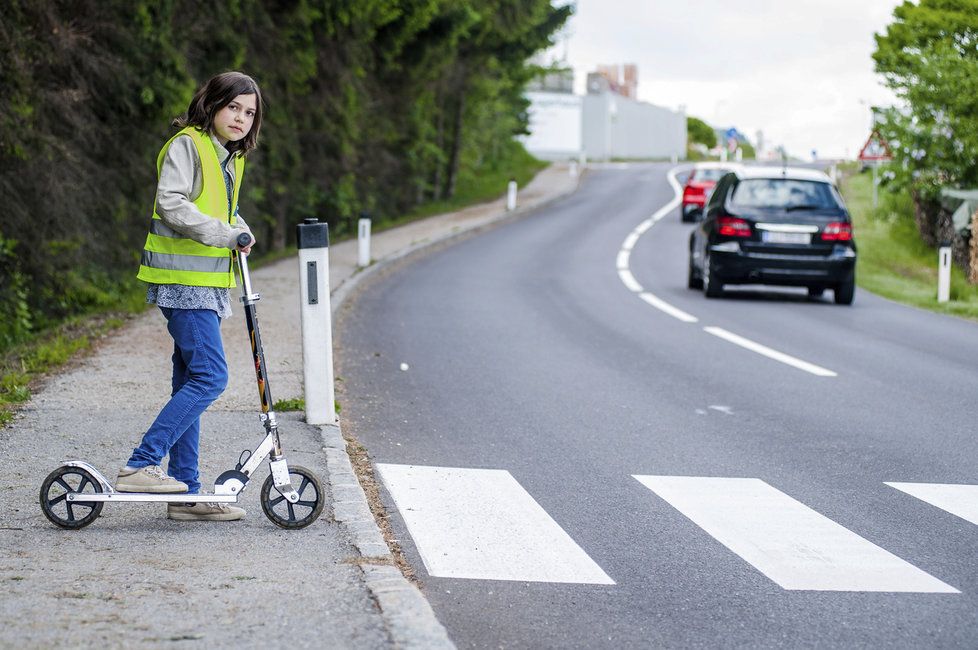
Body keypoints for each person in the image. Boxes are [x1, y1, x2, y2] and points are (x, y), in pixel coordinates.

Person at [115, 71, 262, 522]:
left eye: (250, 112)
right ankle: (141, 464)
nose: (240, 118)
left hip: (207, 285)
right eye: (233, 107)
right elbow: (172, 203)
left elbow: (222, 209)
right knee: (211, 378)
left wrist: (240, 228)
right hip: (183, 282)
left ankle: (186, 492)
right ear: (213, 104)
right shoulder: (188, 144)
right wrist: (225, 233)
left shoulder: (229, 158)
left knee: (189, 381)